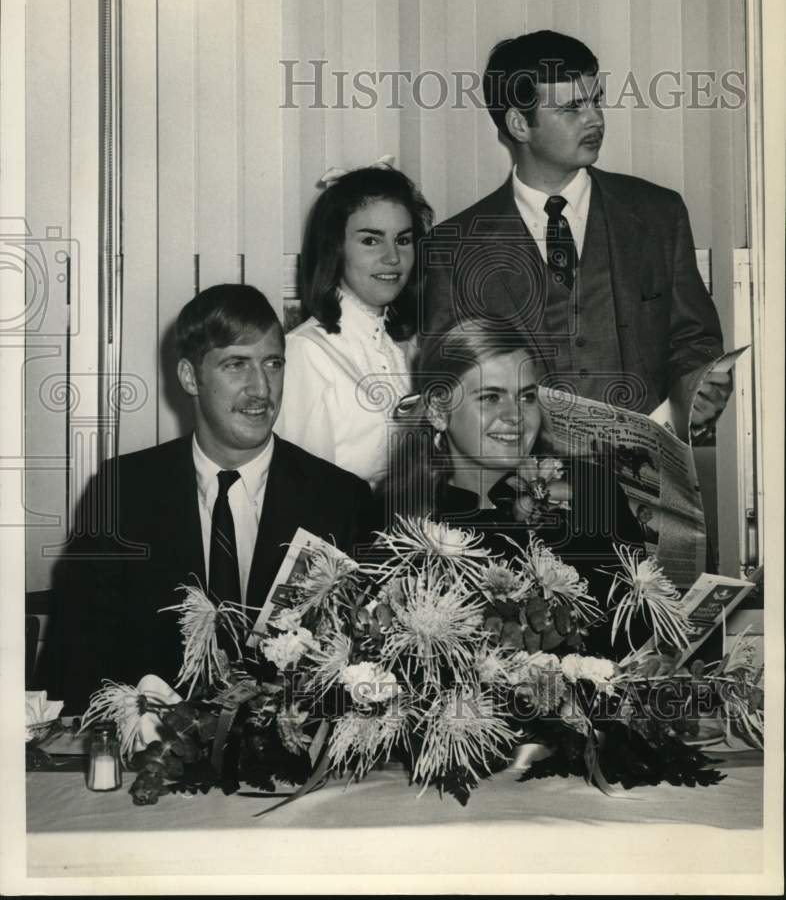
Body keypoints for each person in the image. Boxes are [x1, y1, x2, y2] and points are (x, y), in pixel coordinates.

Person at [46, 284, 372, 712]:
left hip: (292, 762)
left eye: (273, 363)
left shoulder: (340, 499)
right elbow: (76, 659)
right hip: (149, 758)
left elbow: (366, 668)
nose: (261, 388)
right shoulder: (121, 493)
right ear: (189, 377)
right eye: (236, 365)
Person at [422, 30, 731, 433]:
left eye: (596, 100)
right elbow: (447, 380)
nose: (595, 119)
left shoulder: (658, 213)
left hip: (645, 480)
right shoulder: (455, 246)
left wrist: (695, 387)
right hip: (518, 485)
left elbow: (694, 339)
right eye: (572, 108)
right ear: (519, 124)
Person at [381, 319, 644, 616]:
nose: (515, 416)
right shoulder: (404, 525)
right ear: (438, 411)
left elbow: (641, 626)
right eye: (491, 397)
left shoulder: (591, 490)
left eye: (527, 397)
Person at [276, 162, 434, 488]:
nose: (393, 257)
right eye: (371, 241)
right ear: (336, 250)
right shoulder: (306, 352)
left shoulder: (412, 346)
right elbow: (304, 495)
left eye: (403, 240)